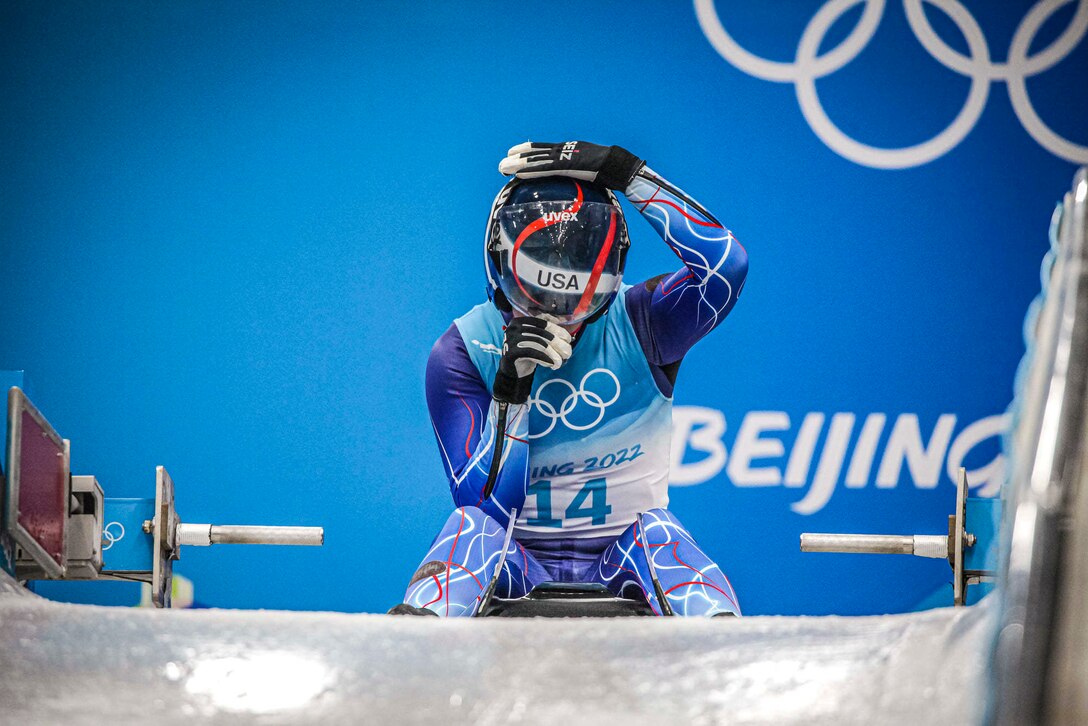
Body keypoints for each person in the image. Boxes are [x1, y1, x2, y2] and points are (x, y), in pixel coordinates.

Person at [390, 141, 748, 617]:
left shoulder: (644, 321)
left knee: (663, 537)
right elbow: (483, 509)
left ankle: (727, 667)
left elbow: (727, 268)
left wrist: (627, 173)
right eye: (535, 297)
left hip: (626, 551)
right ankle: (413, 660)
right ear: (502, 272)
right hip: (515, 559)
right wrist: (511, 390)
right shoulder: (461, 351)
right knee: (467, 534)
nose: (562, 319)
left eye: (583, 304)